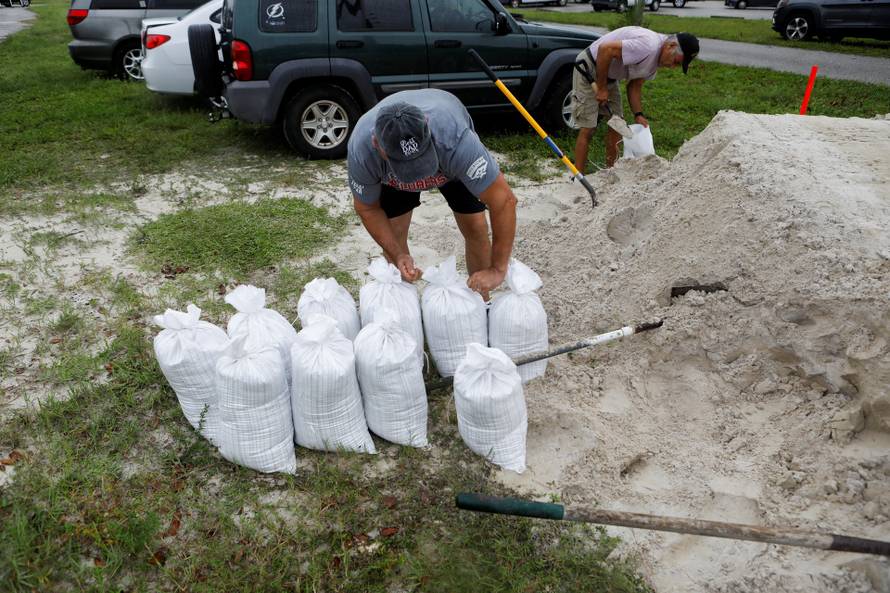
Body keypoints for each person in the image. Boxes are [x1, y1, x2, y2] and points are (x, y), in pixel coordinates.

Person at [347, 88, 517, 298]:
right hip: (393, 179)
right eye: (407, 166)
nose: (419, 178)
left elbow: (504, 200)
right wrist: (397, 254)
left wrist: (498, 270)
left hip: (448, 164)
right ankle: (404, 308)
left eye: (419, 162)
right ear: (377, 145)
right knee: (395, 233)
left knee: (475, 226)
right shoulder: (362, 151)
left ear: (427, 125)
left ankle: (481, 304)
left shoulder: (455, 140)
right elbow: (367, 208)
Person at [572, 27, 699, 171]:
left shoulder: (655, 62)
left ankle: (609, 172)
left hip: (610, 76)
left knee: (616, 126)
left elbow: (635, 85)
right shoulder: (648, 46)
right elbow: (605, 49)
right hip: (589, 67)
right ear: (671, 46)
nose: (672, 67)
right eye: (676, 62)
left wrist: (638, 115)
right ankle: (578, 177)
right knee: (588, 127)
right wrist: (601, 88)